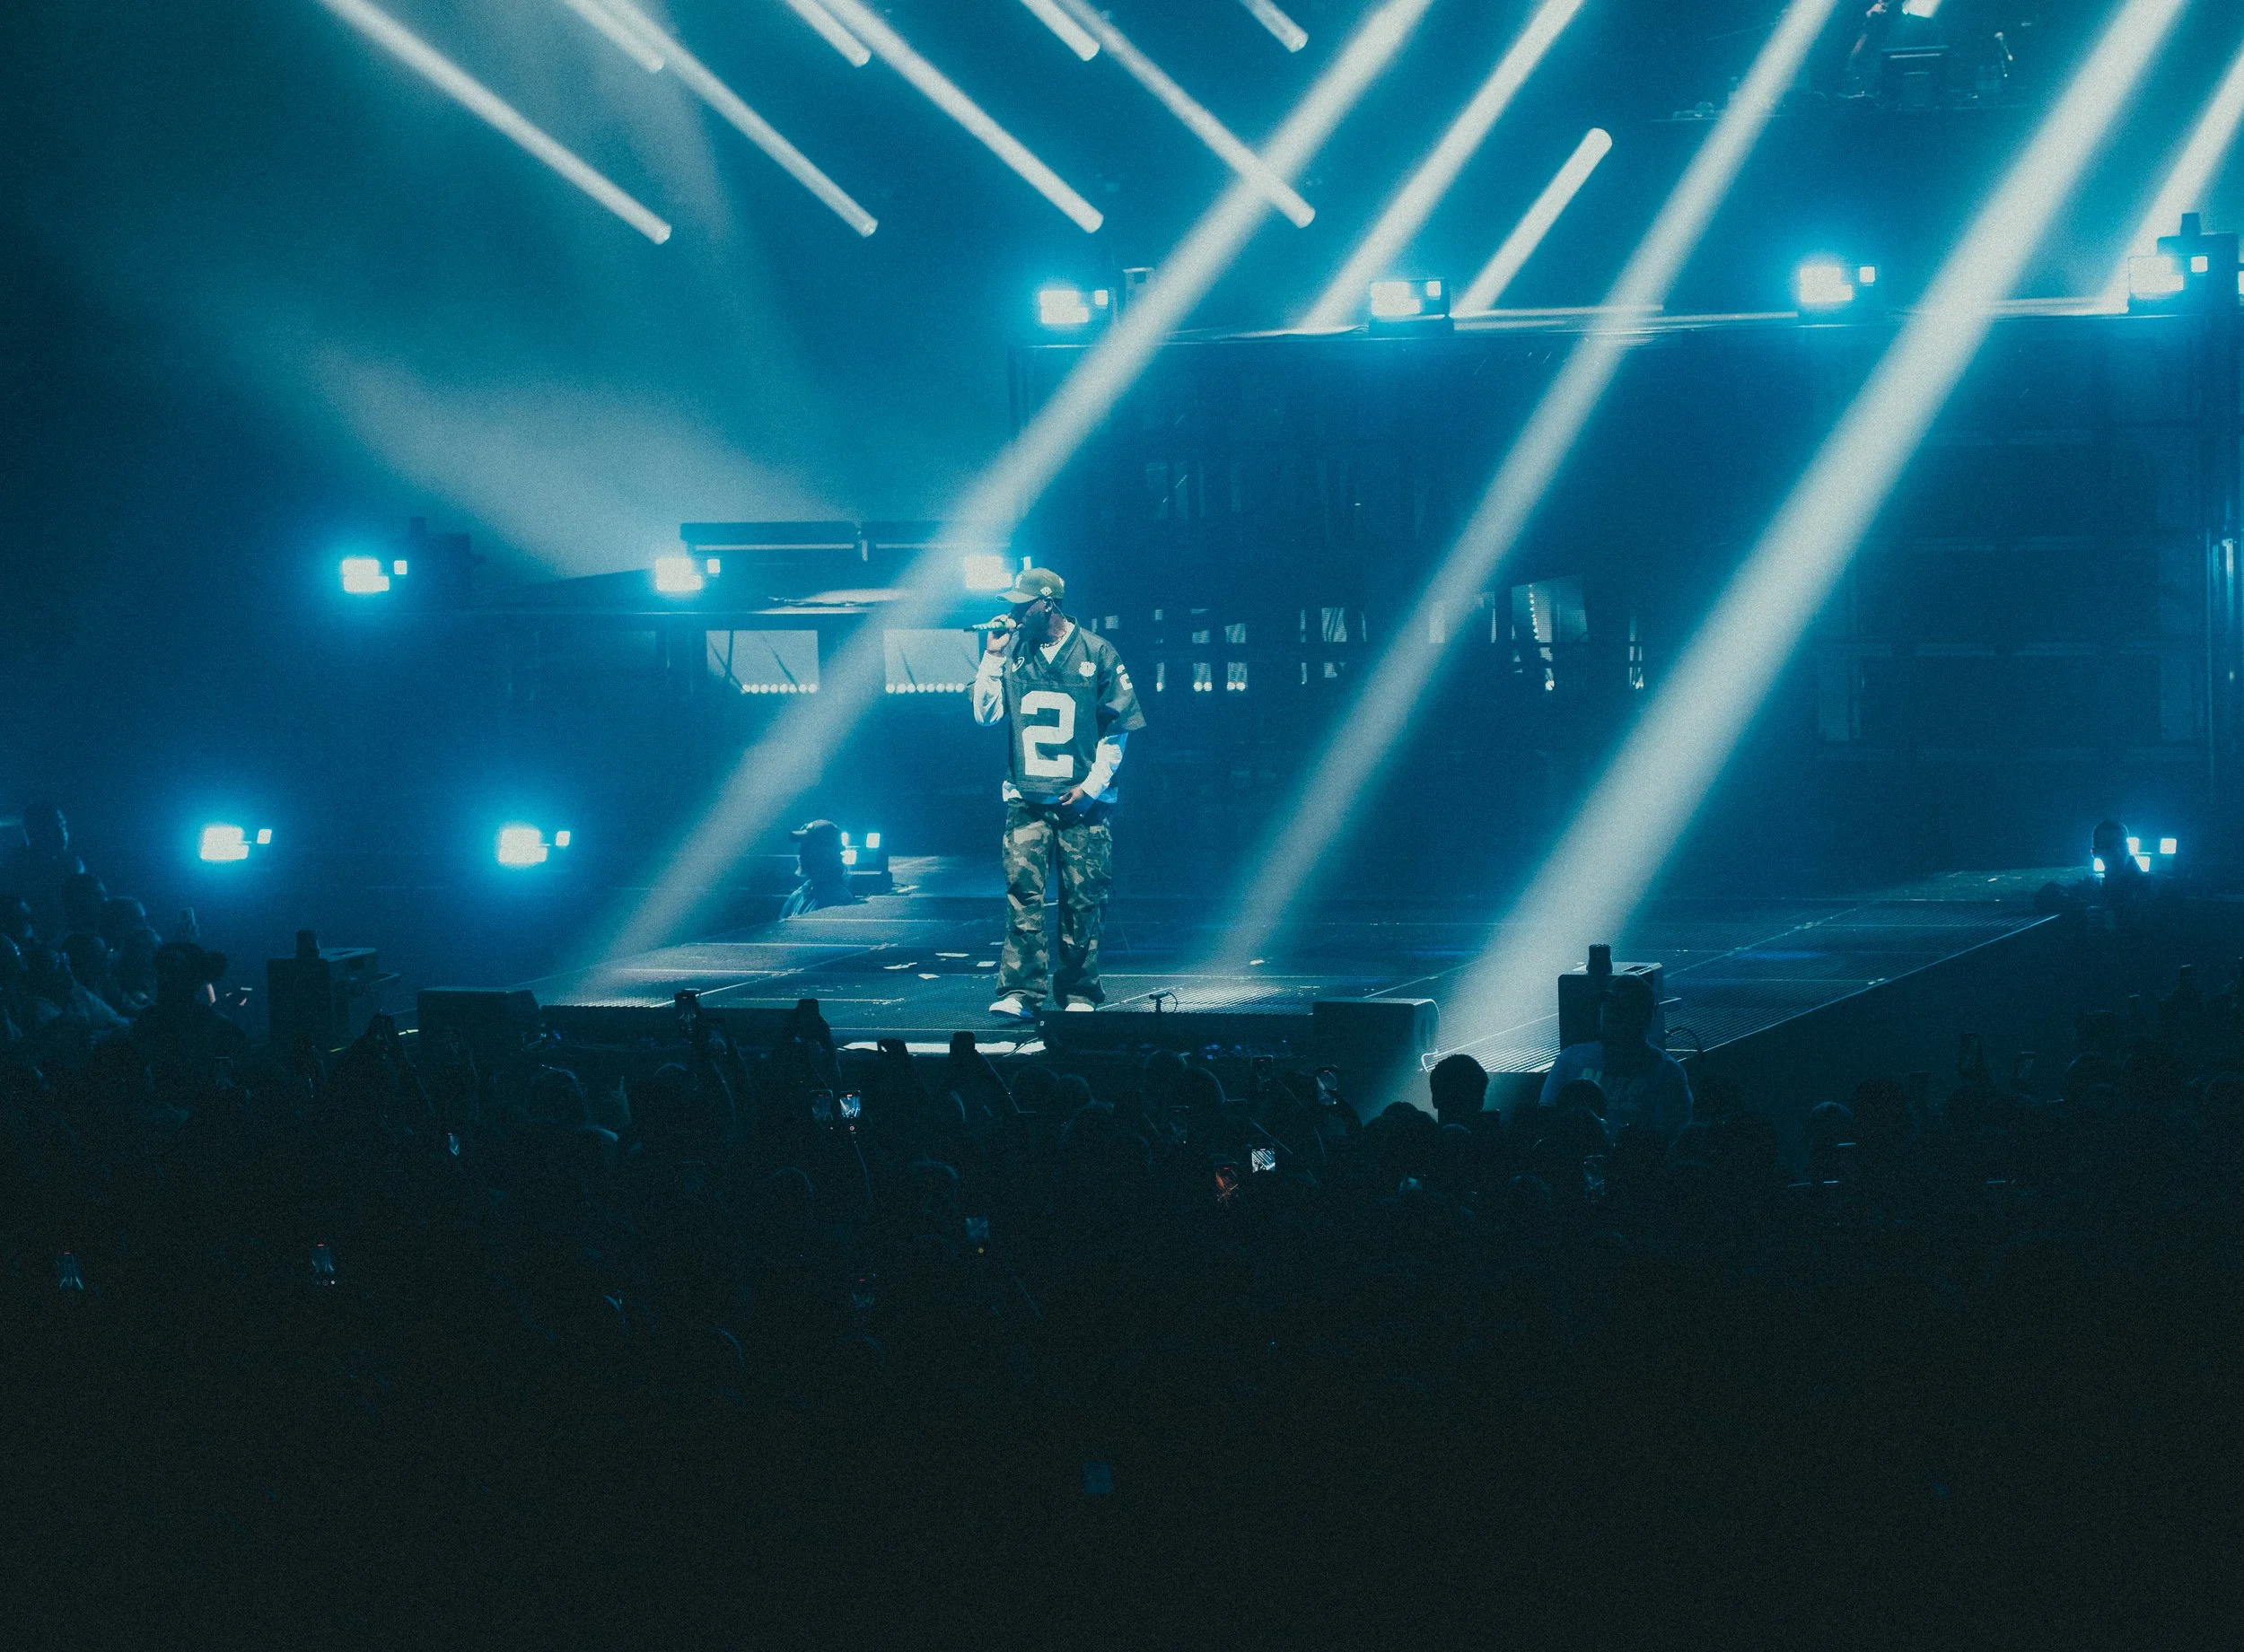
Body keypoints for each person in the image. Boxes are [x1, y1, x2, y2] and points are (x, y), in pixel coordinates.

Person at [970, 567, 1144, 1020]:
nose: (1012, 612)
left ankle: (1079, 991)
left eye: (1021, 605)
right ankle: (1020, 991)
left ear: (1047, 603)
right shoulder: (1013, 653)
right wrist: (991, 658)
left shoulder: (1097, 652)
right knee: (1023, 897)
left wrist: (1091, 789)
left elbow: (1118, 730)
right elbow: (985, 715)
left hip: (1082, 803)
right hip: (1026, 798)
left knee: (1083, 899)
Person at [1538, 972, 1692, 1135]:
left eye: (1620, 1007)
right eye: (1607, 1005)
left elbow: (1666, 1137)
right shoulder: (1570, 1059)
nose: (1609, 1013)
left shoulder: (1667, 1072)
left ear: (1644, 1016)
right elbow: (1545, 1121)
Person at [778, 820, 862, 918]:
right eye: (803, 846)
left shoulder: (838, 900)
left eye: (808, 846)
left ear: (826, 854)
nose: (801, 852)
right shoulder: (799, 894)